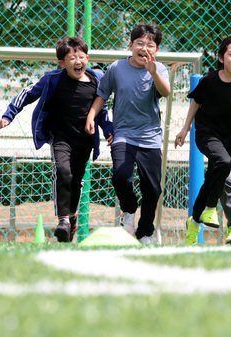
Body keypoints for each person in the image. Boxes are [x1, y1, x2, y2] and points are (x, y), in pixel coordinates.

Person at [0, 36, 113, 243]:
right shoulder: (52, 79)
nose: (77, 62)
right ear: (62, 63)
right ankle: (63, 221)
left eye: (81, 57)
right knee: (63, 172)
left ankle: (72, 218)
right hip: (61, 137)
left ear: (88, 57)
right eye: (71, 58)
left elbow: (102, 111)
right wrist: (8, 115)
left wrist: (109, 130)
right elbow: (28, 93)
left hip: (85, 140)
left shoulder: (96, 80)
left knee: (76, 180)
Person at [85, 23, 170, 244]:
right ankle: (129, 210)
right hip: (123, 134)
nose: (144, 48)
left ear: (156, 50)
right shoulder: (116, 68)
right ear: (130, 45)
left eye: (150, 45)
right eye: (140, 43)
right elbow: (102, 95)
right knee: (121, 176)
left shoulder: (159, 69)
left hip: (150, 137)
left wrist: (153, 73)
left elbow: (166, 92)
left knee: (153, 189)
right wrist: (91, 117)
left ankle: (145, 232)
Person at [175, 35, 231, 245]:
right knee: (223, 163)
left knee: (214, 178)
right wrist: (185, 128)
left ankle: (194, 220)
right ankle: (210, 209)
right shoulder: (209, 81)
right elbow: (195, 103)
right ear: (220, 57)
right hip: (208, 134)